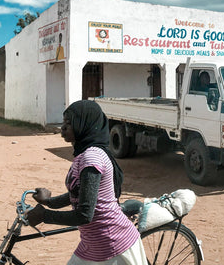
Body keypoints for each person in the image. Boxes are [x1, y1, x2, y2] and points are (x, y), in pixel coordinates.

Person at [26, 100, 148, 265]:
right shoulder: (83, 155)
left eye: (69, 123)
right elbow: (78, 194)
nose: (63, 127)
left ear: (85, 125)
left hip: (112, 245)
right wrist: (49, 202)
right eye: (64, 122)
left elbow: (84, 214)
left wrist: (45, 215)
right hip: (93, 244)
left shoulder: (91, 158)